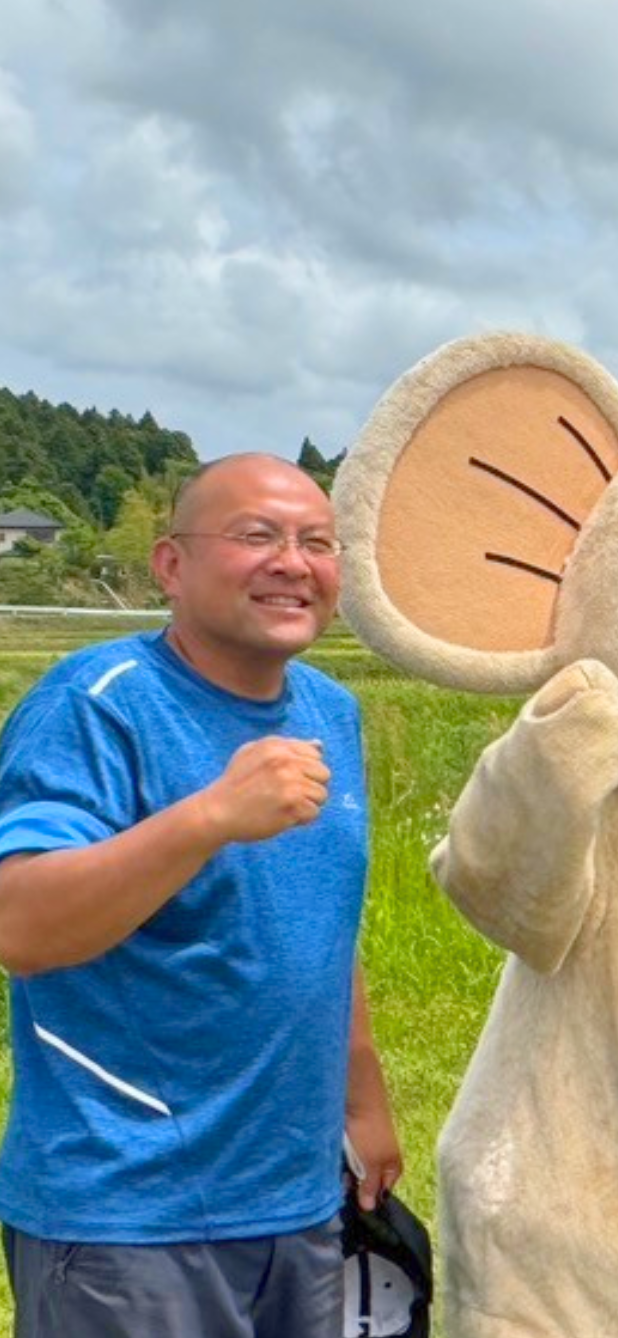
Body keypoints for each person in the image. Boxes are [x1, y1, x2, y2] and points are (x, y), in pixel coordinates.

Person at [0, 453, 401, 1338]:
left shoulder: (330, 711)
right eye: (256, 536)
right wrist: (212, 815)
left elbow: (321, 925)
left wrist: (364, 1105)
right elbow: (20, 924)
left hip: (293, 1199)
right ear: (171, 565)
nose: (293, 562)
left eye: (318, 542)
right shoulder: (97, 705)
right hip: (129, 1214)